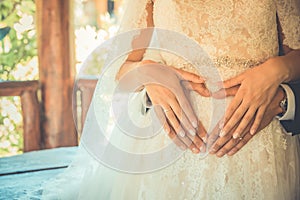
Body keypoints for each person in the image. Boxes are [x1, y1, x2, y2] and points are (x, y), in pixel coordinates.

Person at [41, 0, 300, 199]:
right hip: (168, 146)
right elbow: (120, 64)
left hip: (258, 143)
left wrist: (278, 68)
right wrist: (149, 73)